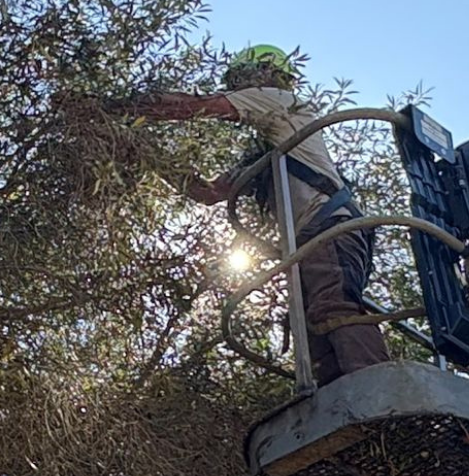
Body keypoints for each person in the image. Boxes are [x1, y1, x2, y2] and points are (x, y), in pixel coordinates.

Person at [105, 45, 389, 383]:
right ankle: (345, 401)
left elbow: (198, 107)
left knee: (334, 305)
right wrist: (143, 151)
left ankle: (381, 391)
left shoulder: (280, 102)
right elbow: (208, 193)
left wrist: (115, 108)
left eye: (239, 79)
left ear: (266, 74)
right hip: (312, 239)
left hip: (329, 228)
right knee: (313, 326)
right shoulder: (267, 151)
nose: (238, 87)